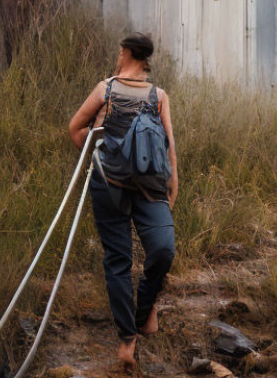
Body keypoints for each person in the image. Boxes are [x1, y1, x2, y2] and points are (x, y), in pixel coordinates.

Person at [68, 33, 179, 370]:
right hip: (108, 186)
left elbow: (169, 144)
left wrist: (173, 182)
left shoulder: (158, 96)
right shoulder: (105, 90)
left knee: (163, 250)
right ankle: (127, 339)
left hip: (150, 187)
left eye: (119, 52)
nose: (117, 57)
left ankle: (145, 309)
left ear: (129, 53)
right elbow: (76, 128)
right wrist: (101, 150)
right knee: (118, 260)